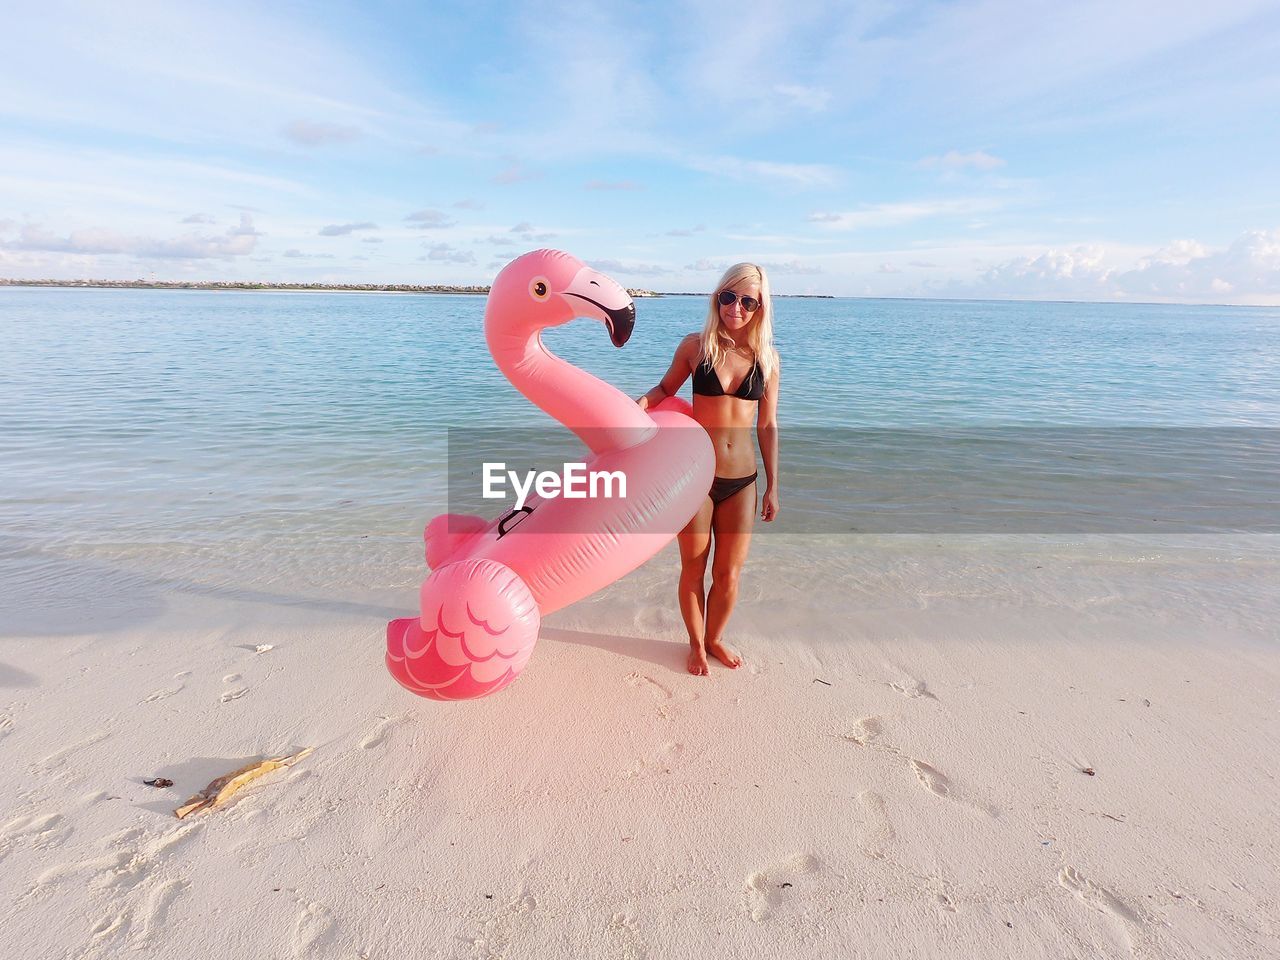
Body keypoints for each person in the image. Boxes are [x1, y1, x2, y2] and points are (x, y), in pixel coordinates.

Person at [637, 263, 780, 675]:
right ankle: (696, 643)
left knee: (729, 574)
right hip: (696, 478)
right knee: (694, 569)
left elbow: (767, 425)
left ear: (760, 308)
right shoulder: (695, 347)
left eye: (747, 300)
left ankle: (716, 637)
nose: (736, 307)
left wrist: (773, 486)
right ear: (717, 298)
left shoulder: (767, 359)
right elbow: (666, 389)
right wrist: (637, 408)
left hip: (743, 481)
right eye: (729, 297)